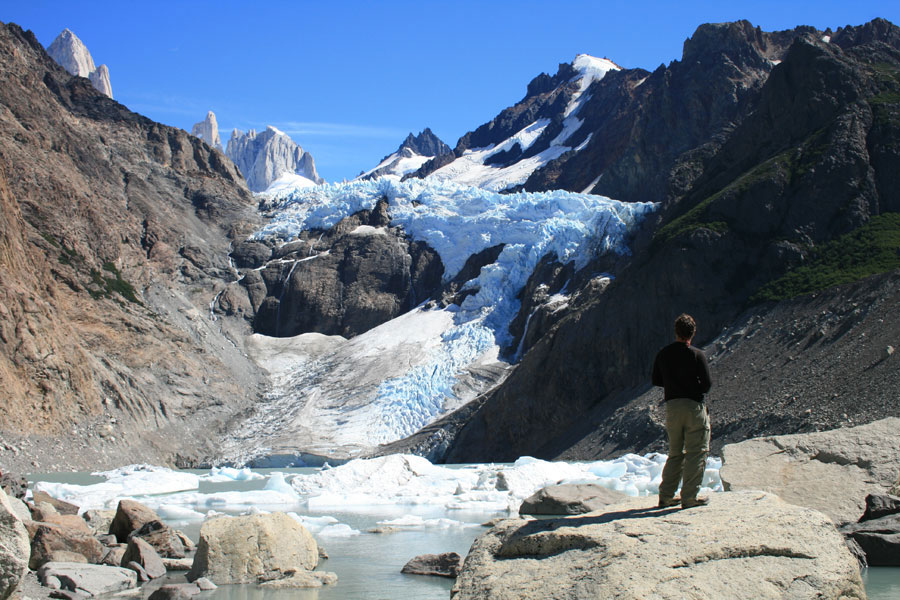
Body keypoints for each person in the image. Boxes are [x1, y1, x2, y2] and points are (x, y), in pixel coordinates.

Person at [652, 313, 712, 509]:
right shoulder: (697, 354)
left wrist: (673, 384)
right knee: (697, 451)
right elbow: (706, 384)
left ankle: (666, 496)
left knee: (675, 452)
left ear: (675, 332)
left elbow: (656, 380)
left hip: (672, 407)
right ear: (692, 333)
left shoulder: (663, 354)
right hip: (693, 407)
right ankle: (689, 497)